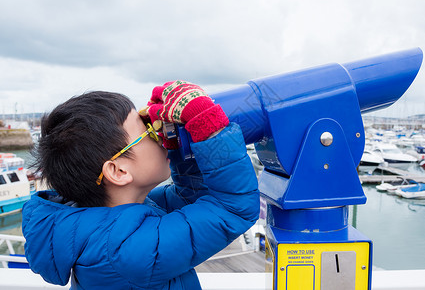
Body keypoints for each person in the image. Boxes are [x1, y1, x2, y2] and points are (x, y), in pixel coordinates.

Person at [22, 81, 260, 289]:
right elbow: (233, 208)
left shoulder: (123, 215)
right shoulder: (123, 251)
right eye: (147, 131)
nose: (158, 135)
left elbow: (193, 200)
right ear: (118, 171)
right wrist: (208, 126)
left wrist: (176, 143)